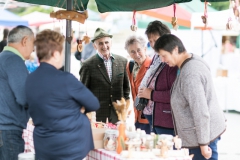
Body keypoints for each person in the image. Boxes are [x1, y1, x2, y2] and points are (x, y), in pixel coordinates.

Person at [25, 29, 100, 160]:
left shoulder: (29, 79)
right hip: (71, 147)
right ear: (55, 54)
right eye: (62, 52)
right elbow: (93, 103)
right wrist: (79, 108)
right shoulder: (66, 79)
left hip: (44, 146)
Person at [154, 34, 226, 160]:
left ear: (175, 49)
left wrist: (203, 144)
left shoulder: (190, 73)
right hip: (202, 134)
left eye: (164, 55)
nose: (163, 60)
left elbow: (200, 111)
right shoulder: (193, 59)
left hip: (200, 140)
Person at [80, 28, 130, 124]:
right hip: (97, 116)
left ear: (111, 43)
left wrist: (125, 107)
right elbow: (83, 92)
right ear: (95, 46)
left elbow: (126, 88)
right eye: (100, 43)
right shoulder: (87, 65)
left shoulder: (122, 61)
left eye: (106, 42)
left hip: (118, 115)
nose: (104, 46)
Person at [138, 20, 178, 135]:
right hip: (152, 114)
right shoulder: (156, 57)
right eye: (150, 41)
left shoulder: (172, 61)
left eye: (155, 40)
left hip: (166, 118)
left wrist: (150, 94)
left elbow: (175, 94)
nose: (153, 44)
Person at [0, 25, 34, 160]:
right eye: (33, 43)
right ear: (25, 40)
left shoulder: (3, 57)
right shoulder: (13, 59)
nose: (33, 49)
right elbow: (24, 97)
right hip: (8, 132)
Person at [125, 35, 152, 134]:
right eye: (132, 52)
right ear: (129, 54)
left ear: (145, 49)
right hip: (137, 115)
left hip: (150, 117)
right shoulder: (130, 66)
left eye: (139, 50)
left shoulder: (152, 67)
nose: (136, 54)